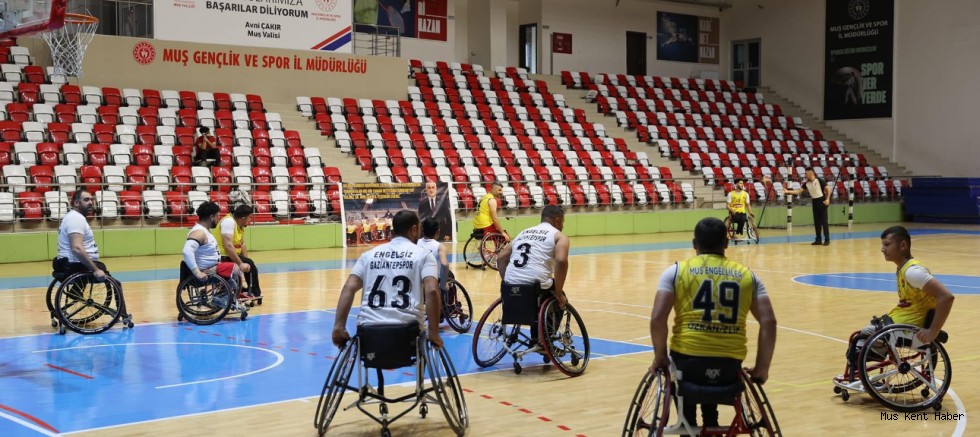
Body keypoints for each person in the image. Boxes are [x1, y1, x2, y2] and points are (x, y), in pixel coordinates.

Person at [650, 217, 777, 433]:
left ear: (694, 244)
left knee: (682, 374)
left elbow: (657, 319)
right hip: (729, 366)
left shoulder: (676, 272)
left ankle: (688, 425)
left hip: (688, 362)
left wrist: (660, 356)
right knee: (713, 373)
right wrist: (762, 368)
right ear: (726, 243)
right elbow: (769, 321)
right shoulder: (749, 277)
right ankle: (711, 423)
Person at [841, 226, 955, 377]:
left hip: (909, 328)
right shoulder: (902, 269)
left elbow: (946, 297)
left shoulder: (912, 272)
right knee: (860, 339)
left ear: (903, 246)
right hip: (900, 322)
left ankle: (861, 373)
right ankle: (862, 373)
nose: (882, 249)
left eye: (887, 245)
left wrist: (933, 331)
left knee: (862, 338)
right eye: (882, 245)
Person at [332, 210, 443, 349]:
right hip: (408, 334)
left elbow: (349, 287)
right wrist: (434, 333)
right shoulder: (424, 256)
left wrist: (338, 326)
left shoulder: (368, 255)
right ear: (414, 229)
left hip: (369, 333)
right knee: (423, 348)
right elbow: (432, 291)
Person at [496, 205, 570, 308]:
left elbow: (500, 258)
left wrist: (509, 282)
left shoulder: (522, 233)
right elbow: (561, 261)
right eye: (563, 222)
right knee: (559, 298)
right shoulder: (559, 236)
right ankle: (542, 324)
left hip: (509, 285)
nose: (563, 226)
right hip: (536, 285)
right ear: (557, 220)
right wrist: (558, 293)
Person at [182, 201, 244, 294]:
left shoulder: (205, 231)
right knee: (234, 268)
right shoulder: (199, 232)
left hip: (212, 268)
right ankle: (221, 297)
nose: (218, 219)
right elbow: (187, 251)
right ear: (211, 217)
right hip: (205, 272)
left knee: (233, 269)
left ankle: (224, 294)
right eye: (217, 216)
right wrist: (197, 272)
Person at [56, 191, 109, 281]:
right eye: (86, 200)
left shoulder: (73, 216)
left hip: (71, 262)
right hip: (74, 264)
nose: (91, 203)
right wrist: (95, 270)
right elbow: (77, 248)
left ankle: (75, 294)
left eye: (91, 200)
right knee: (114, 282)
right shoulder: (76, 218)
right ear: (76, 203)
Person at [214, 204, 261, 301]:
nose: (250, 220)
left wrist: (246, 262)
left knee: (249, 263)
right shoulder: (229, 222)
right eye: (250, 218)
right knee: (249, 264)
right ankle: (254, 292)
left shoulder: (239, 226)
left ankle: (247, 290)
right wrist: (240, 263)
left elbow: (242, 244)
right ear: (243, 218)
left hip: (229, 255)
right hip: (222, 256)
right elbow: (228, 245)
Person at [784, 167, 832, 245]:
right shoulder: (806, 183)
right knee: (817, 222)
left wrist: (828, 199)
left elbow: (828, 188)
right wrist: (788, 191)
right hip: (814, 202)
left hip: (822, 201)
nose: (805, 175)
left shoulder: (819, 180)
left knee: (824, 221)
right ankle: (818, 240)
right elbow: (797, 191)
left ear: (811, 173)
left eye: (806, 173)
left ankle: (827, 240)